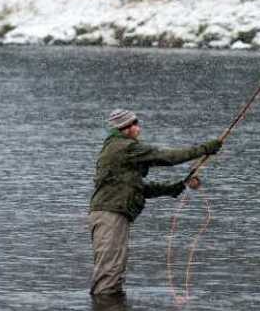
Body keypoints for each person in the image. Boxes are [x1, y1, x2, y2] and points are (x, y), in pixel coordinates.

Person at [88, 108, 221, 297]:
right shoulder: (124, 147)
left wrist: (173, 188)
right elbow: (166, 157)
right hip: (110, 215)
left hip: (111, 213)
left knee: (114, 269)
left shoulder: (121, 149)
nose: (138, 128)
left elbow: (136, 187)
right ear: (124, 128)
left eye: (136, 123)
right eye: (134, 124)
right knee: (109, 271)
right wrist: (205, 149)